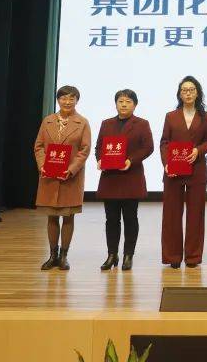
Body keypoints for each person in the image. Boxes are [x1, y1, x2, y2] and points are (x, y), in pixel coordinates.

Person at [95, 88, 154, 271]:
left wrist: (131, 160)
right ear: (115, 104)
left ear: (135, 105)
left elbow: (148, 147)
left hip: (131, 177)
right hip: (110, 178)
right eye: (120, 101)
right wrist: (100, 160)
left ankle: (128, 255)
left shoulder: (142, 124)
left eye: (128, 102)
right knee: (111, 219)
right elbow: (99, 147)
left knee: (130, 218)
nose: (124, 105)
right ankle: (112, 254)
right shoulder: (106, 124)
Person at [33, 85, 92, 271]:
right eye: (64, 98)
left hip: (70, 178)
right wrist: (42, 165)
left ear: (77, 101)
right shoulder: (47, 121)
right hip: (49, 176)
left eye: (71, 98)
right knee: (51, 216)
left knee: (68, 217)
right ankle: (52, 255)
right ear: (58, 100)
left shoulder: (82, 122)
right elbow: (38, 146)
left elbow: (85, 150)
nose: (67, 102)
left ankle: (64, 256)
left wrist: (71, 169)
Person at [160, 75, 207, 269]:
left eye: (191, 90)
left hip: (197, 170)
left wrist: (198, 150)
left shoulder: (206, 117)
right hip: (173, 172)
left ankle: (193, 257)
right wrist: (166, 163)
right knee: (172, 215)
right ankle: (173, 256)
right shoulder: (171, 116)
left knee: (196, 216)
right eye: (184, 90)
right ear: (179, 94)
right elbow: (164, 142)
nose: (188, 93)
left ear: (197, 93)